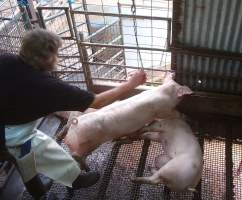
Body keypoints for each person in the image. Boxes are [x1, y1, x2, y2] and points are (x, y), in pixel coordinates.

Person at [0, 29, 146, 199]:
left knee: (43, 145)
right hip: (10, 134)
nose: (57, 57)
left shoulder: (5, 59)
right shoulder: (46, 86)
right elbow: (97, 102)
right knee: (24, 160)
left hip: (13, 124)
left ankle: (73, 177)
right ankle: (42, 196)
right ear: (47, 57)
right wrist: (130, 84)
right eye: (56, 53)